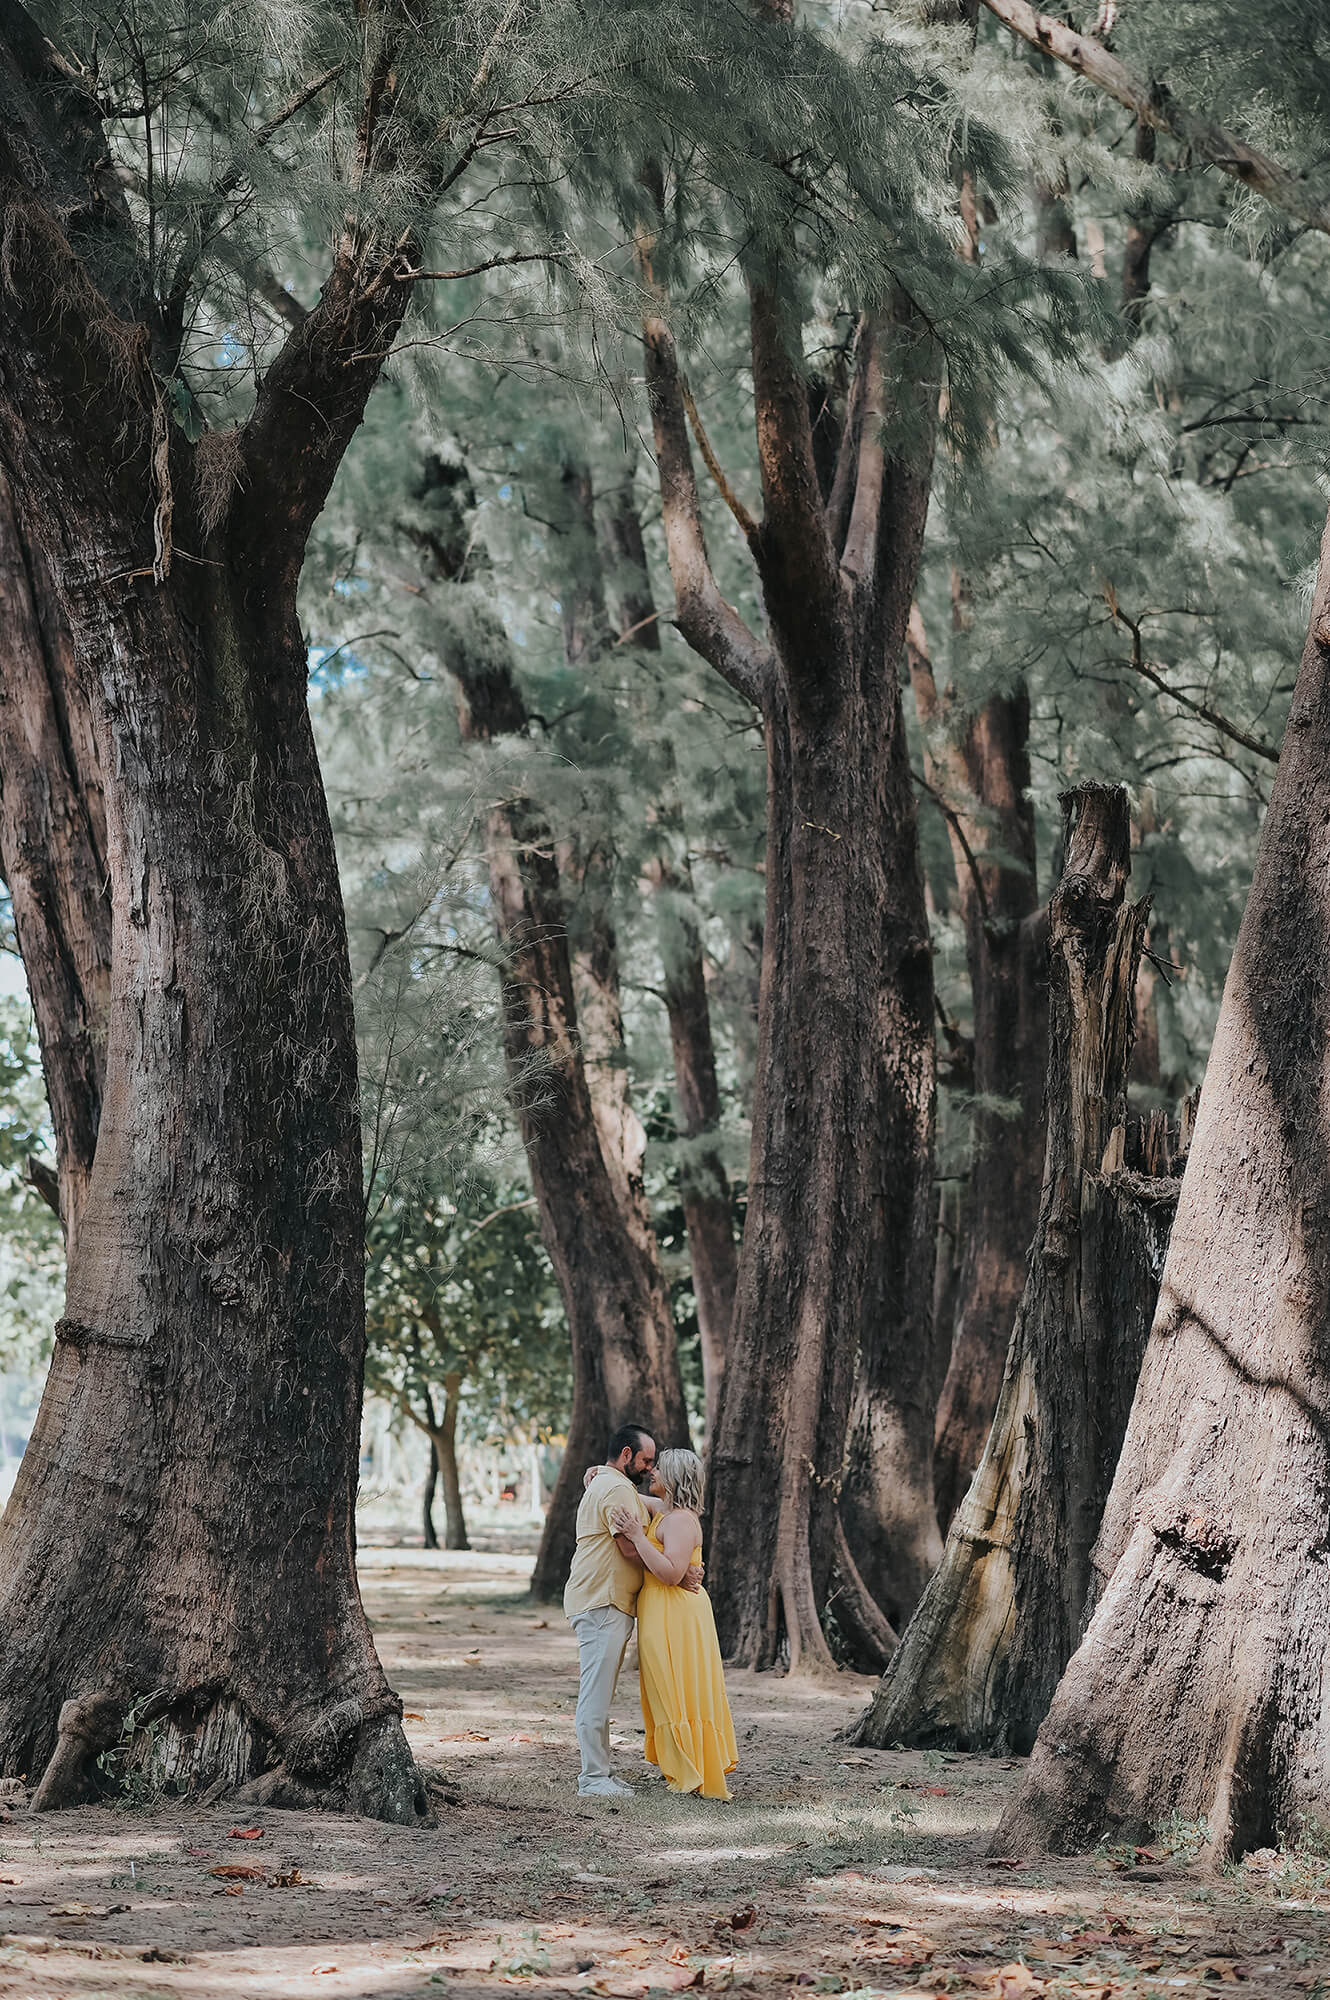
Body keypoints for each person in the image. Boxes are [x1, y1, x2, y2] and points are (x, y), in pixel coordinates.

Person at [563, 1423, 701, 1798]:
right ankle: (592, 1778)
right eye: (646, 1460)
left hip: (603, 1600)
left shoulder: (608, 1483)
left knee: (601, 1690)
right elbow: (628, 1548)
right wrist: (679, 1569)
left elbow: (658, 1512)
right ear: (627, 1455)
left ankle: (601, 1772)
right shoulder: (619, 1487)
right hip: (602, 1601)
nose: (650, 1468)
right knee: (595, 1691)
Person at [611, 1447, 738, 1800]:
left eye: (659, 1469)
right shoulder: (663, 1510)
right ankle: (682, 1764)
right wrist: (600, 1472)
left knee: (678, 1686)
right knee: (664, 1687)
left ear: (675, 1479)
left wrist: (638, 1537)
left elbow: (670, 1573)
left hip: (677, 1613)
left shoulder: (682, 1520)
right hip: (659, 1609)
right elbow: (634, 1497)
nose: (652, 1473)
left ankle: (692, 1768)